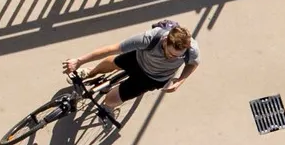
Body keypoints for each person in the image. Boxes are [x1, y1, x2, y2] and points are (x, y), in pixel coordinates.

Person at [63, 20, 200, 121]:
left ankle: (109, 108)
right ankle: (90, 72)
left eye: (178, 56)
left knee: (110, 100)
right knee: (111, 62)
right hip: (138, 59)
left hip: (152, 78)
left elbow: (192, 64)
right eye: (170, 53)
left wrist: (180, 81)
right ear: (165, 41)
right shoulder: (150, 38)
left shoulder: (191, 50)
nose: (172, 58)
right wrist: (79, 60)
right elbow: (112, 48)